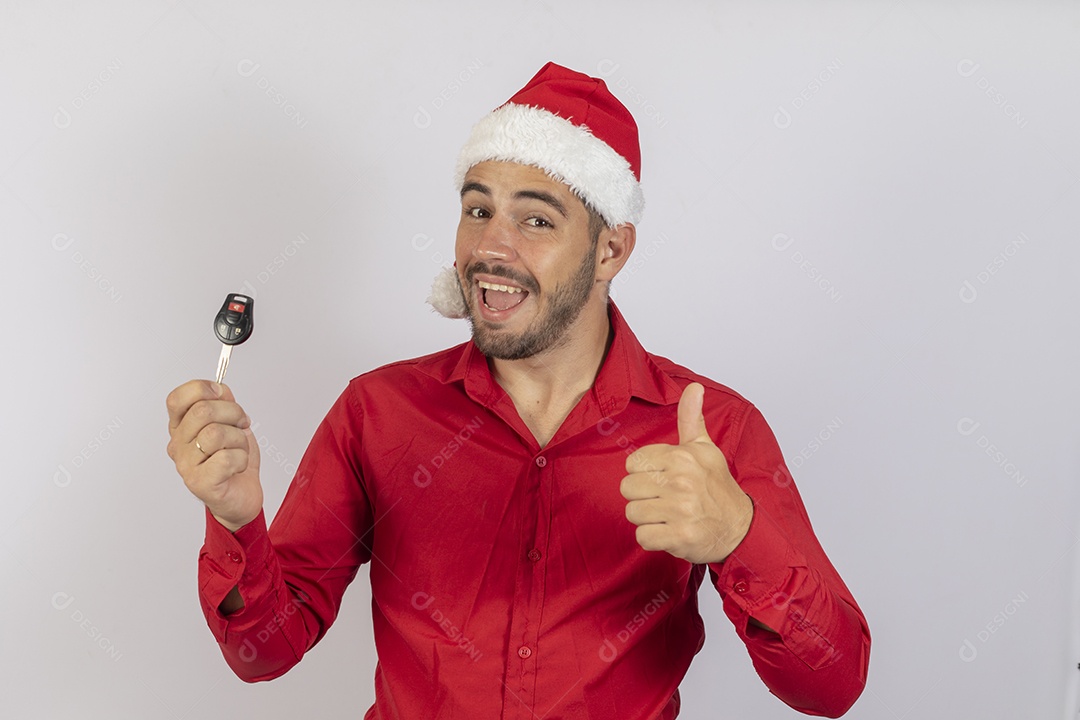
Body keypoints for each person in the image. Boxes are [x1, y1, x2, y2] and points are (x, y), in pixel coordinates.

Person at [166, 62, 870, 719]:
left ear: (611, 249)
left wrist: (739, 536)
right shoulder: (376, 414)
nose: (491, 248)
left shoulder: (715, 428)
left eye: (536, 220)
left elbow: (832, 686)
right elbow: (264, 653)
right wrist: (235, 521)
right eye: (478, 210)